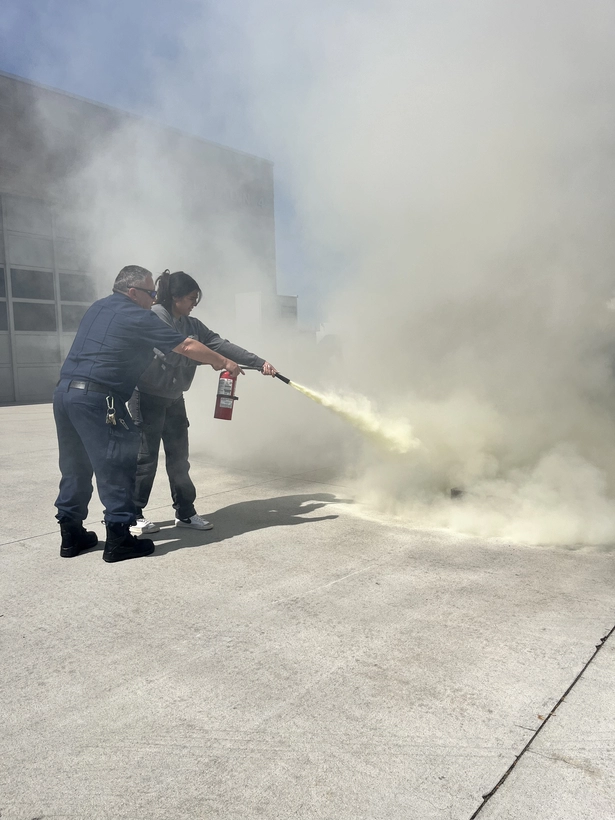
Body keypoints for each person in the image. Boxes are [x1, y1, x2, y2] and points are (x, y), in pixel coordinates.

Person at [53, 265, 242, 563]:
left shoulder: (97, 308)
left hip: (65, 395)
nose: (154, 299)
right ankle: (120, 540)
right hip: (99, 397)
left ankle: (71, 535)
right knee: (117, 463)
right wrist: (222, 361)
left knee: (75, 466)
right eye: (150, 293)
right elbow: (187, 345)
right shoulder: (136, 315)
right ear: (132, 293)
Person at [127, 270, 277, 534]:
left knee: (179, 458)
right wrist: (213, 360)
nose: (194, 304)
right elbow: (172, 356)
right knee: (144, 458)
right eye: (191, 298)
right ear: (175, 297)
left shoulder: (192, 324)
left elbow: (219, 344)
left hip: (174, 398)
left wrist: (258, 362)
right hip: (147, 397)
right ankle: (132, 514)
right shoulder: (156, 316)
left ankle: (185, 513)